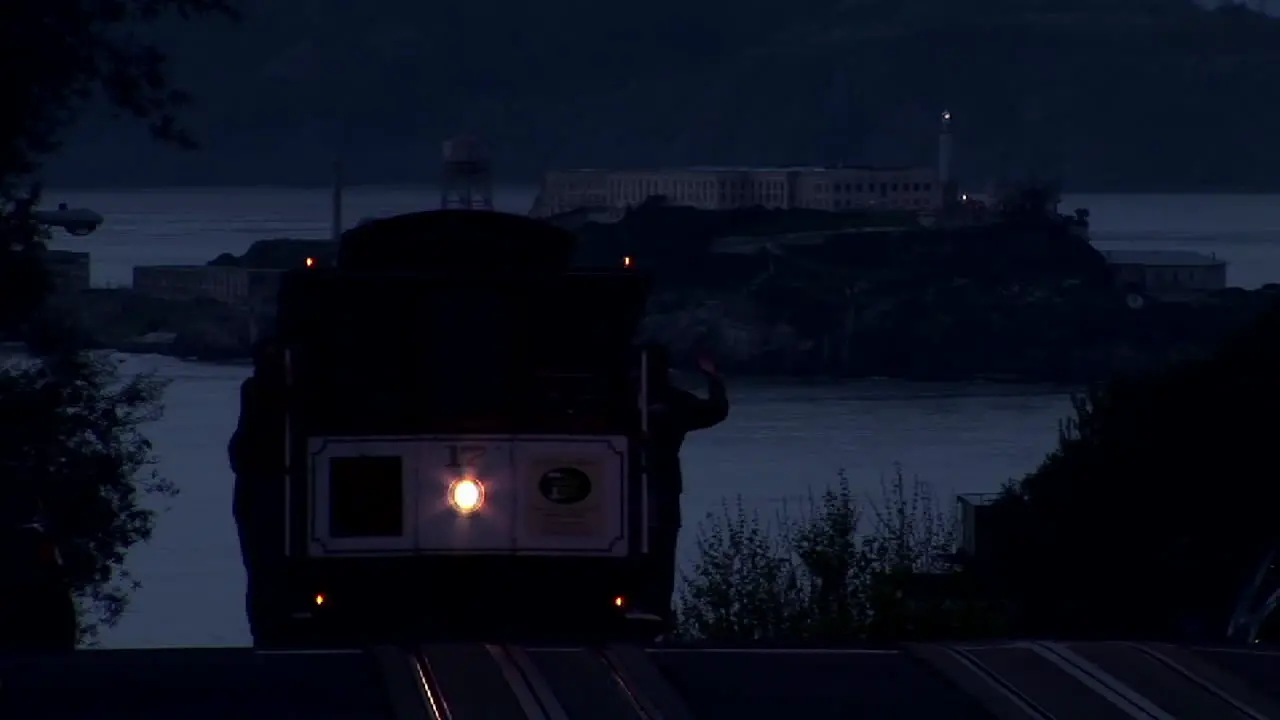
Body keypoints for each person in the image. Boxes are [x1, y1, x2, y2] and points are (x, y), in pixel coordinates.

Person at [639, 344, 729, 626]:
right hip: (663, 483)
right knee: (662, 554)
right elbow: (716, 410)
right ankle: (658, 612)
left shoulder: (619, 401)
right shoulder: (676, 402)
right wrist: (713, 378)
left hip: (627, 488)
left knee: (644, 550)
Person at [229, 339, 288, 646]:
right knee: (262, 570)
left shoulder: (254, 392)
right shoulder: (256, 393)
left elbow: (240, 451)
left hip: (259, 493)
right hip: (262, 492)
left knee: (260, 571)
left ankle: (265, 633)